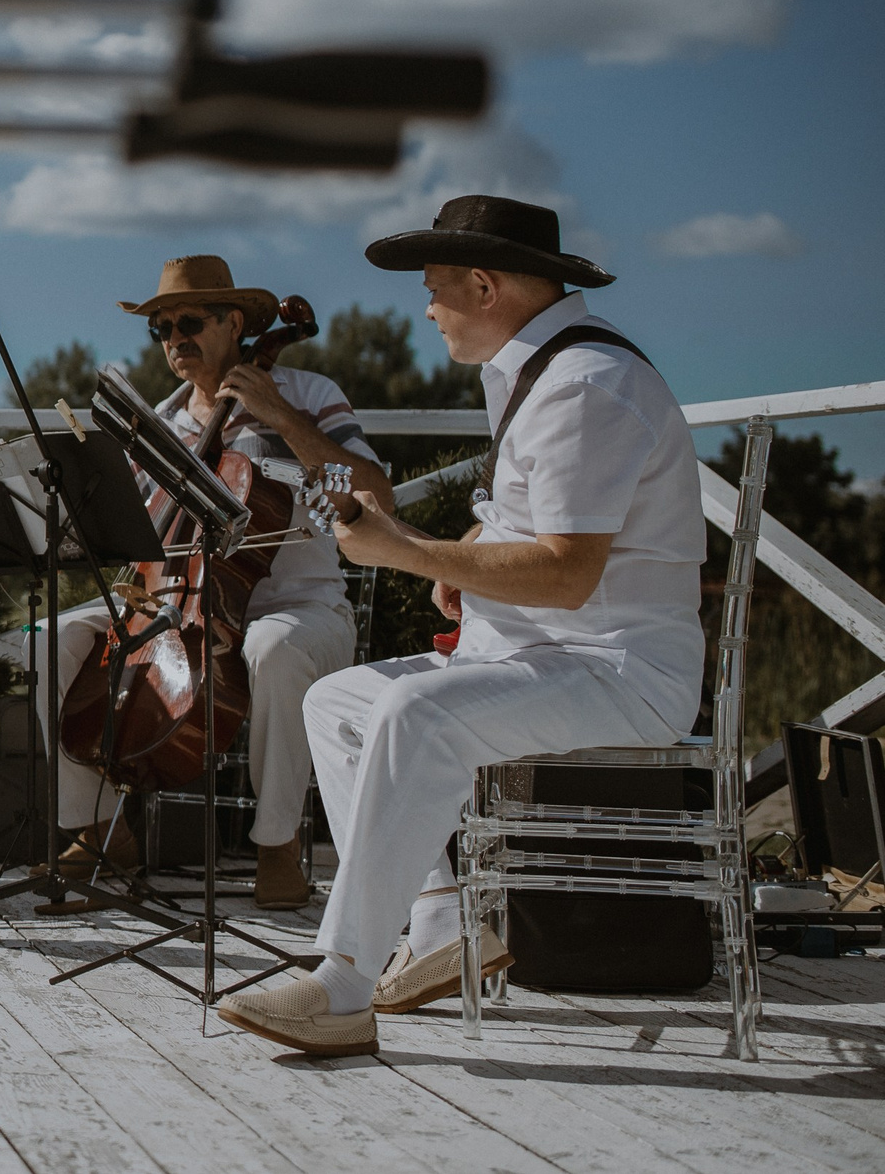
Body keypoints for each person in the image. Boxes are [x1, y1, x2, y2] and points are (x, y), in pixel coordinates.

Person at [216, 196, 706, 1058]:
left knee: (417, 713)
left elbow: (566, 570)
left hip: (616, 670)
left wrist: (414, 553)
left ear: (484, 286)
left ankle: (342, 983)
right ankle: (441, 922)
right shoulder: (540, 373)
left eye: (437, 288)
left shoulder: (586, 386)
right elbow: (522, 516)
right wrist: (468, 552)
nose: (427, 308)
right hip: (542, 653)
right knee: (338, 701)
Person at [31, 255, 389, 909]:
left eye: (188, 322)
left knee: (273, 650)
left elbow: (365, 493)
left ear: (235, 323)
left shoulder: (308, 394)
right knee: (50, 637)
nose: (173, 339)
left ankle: (276, 846)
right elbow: (144, 537)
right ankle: (97, 828)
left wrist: (280, 417)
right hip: (179, 599)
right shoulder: (160, 422)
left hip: (297, 605)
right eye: (161, 329)